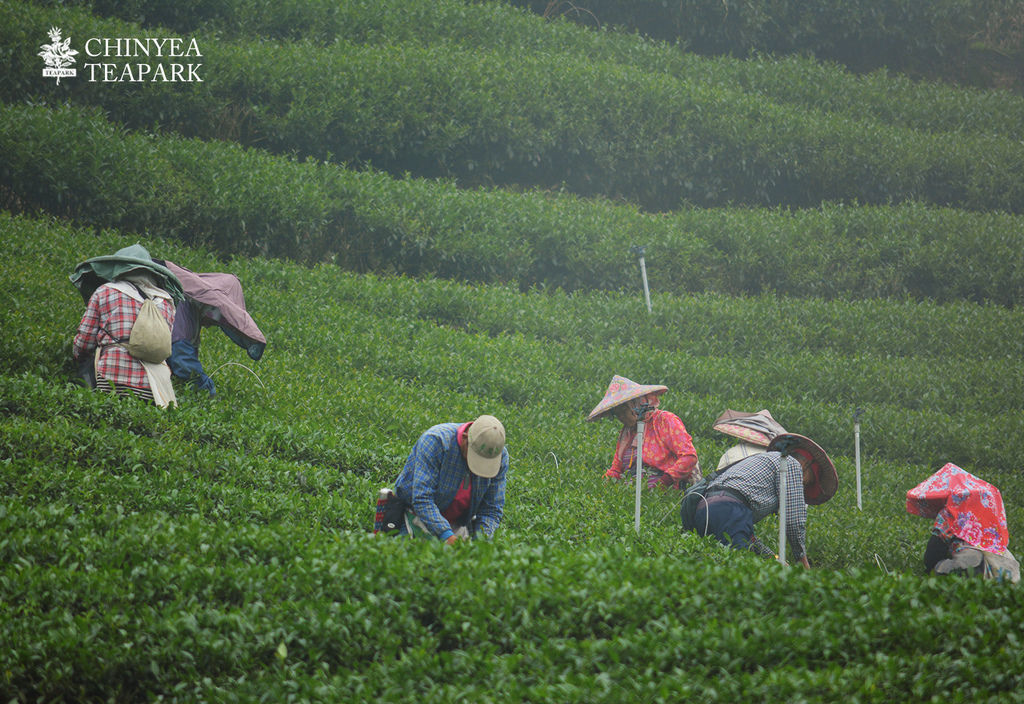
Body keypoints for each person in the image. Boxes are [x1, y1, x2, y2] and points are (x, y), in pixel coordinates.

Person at [683, 433, 838, 568]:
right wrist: (801, 559)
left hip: (704, 510)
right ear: (806, 464)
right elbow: (793, 520)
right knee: (737, 569)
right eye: (806, 482)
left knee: (715, 564)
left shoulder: (763, 462)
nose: (803, 485)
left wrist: (774, 559)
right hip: (729, 509)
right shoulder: (791, 464)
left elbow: (745, 535)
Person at [70, 245, 181, 408]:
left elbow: (84, 341)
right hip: (156, 387)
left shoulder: (105, 291)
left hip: (112, 377)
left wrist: (77, 358)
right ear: (151, 273)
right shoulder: (167, 302)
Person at [391, 415, 509, 544]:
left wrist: (481, 542)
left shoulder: (499, 457)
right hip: (415, 514)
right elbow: (422, 498)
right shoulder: (436, 441)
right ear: (465, 438)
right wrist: (446, 535)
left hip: (458, 523)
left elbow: (491, 509)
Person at [907, 463, 1020, 582]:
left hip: (971, 564)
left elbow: (932, 554)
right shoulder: (987, 513)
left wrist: (931, 570)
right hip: (1002, 565)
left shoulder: (949, 513)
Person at [587, 375, 699, 490]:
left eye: (623, 411)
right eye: (617, 414)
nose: (621, 417)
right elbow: (616, 469)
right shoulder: (626, 433)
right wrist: (599, 486)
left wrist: (664, 482)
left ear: (636, 405)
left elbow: (689, 456)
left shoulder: (665, 420)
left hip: (664, 491)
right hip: (630, 492)